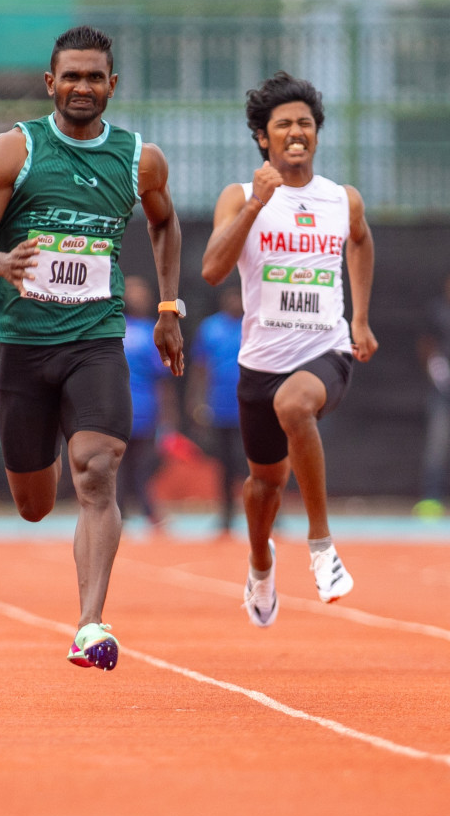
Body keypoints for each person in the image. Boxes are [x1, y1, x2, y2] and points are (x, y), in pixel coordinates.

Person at [0, 25, 185, 671]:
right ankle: (45, 459)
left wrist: (168, 306)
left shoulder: (140, 160)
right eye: (71, 76)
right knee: (33, 504)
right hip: (26, 346)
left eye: (95, 77)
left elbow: (165, 223)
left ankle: (90, 623)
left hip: (96, 338)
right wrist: (1, 263)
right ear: (50, 83)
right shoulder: (15, 150)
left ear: (113, 85)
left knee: (98, 470)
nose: (83, 87)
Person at [202, 71, 377, 628]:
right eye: (284, 125)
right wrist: (257, 203)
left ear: (317, 134)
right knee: (263, 488)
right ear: (263, 137)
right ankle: (260, 566)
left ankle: (322, 547)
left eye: (305, 123)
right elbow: (210, 270)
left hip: (326, 349)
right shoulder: (239, 195)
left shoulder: (340, 199)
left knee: (296, 405)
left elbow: (362, 240)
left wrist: (363, 320)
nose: (296, 132)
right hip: (260, 362)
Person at [190, 284, 247, 534]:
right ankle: (226, 516)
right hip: (220, 407)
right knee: (225, 464)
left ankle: (270, 513)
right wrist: (197, 402)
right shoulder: (210, 328)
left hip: (251, 407)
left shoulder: (254, 325)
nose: (235, 301)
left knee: (257, 463)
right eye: (231, 296)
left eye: (239, 296)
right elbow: (200, 368)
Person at [120, 275, 174, 530]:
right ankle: (129, 511)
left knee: (137, 466)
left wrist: (166, 418)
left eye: (141, 291)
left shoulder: (152, 331)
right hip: (124, 410)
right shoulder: (117, 329)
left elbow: (162, 380)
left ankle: (137, 511)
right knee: (122, 467)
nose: (138, 296)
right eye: (133, 291)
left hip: (142, 411)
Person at [415, 274, 450, 519]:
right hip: (443, 393)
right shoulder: (437, 311)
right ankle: (431, 499)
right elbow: (426, 344)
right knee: (437, 445)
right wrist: (436, 367)